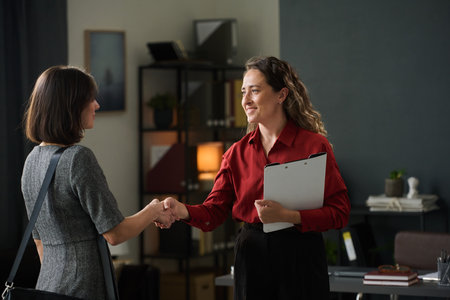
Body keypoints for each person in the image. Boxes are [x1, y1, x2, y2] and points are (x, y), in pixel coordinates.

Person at [161, 56, 350, 299]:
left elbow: (340, 212)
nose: (245, 100)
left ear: (281, 95)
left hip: (301, 254)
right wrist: (181, 210)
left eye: (255, 91)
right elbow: (213, 213)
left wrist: (289, 217)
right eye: (243, 92)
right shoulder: (235, 154)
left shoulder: (314, 146)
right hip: (252, 256)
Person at [21, 65, 174, 300]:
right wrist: (153, 210)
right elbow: (115, 233)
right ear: (71, 105)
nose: (97, 105)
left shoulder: (31, 161)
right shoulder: (78, 159)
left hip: (48, 287)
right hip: (84, 287)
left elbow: (40, 241)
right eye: (90, 99)